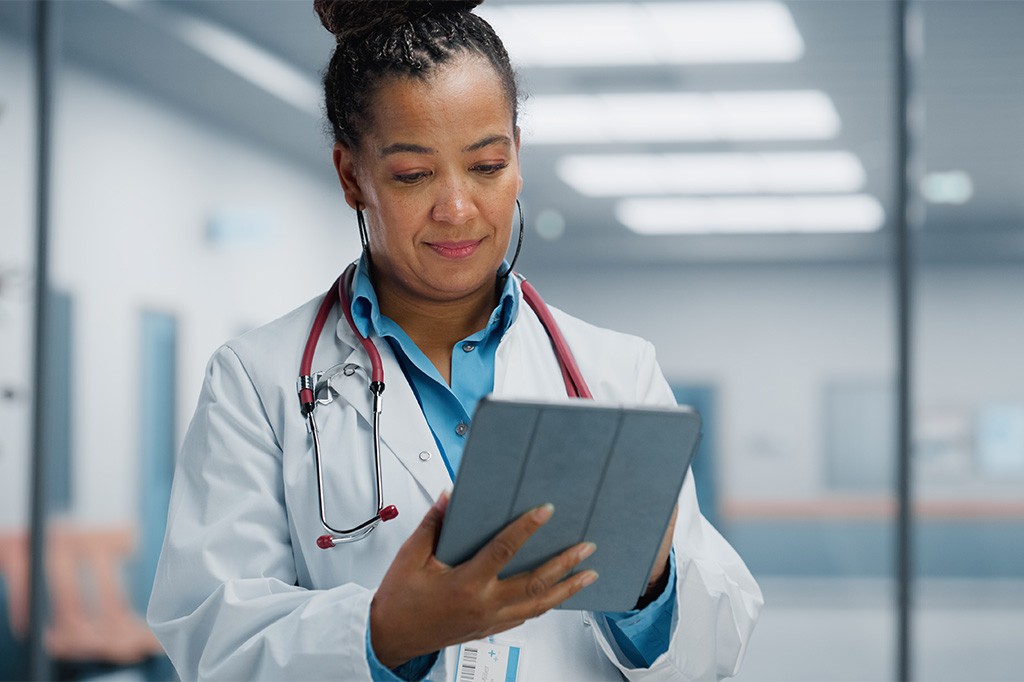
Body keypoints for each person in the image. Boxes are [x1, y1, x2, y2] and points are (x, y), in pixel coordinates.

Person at [147, 1, 763, 680]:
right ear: (353, 176)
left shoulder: (616, 372)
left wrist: (652, 589)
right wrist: (386, 634)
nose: (458, 209)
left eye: (487, 166)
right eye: (413, 175)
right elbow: (212, 637)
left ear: (518, 157)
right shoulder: (256, 381)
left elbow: (717, 645)